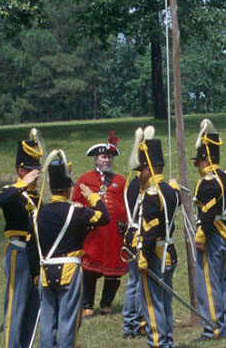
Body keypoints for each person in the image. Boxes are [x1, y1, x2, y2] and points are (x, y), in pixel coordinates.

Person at [34, 150, 110, 348]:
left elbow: (32, 244)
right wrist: (93, 197)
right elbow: (103, 217)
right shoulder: (75, 212)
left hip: (45, 271)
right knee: (68, 321)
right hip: (69, 270)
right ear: (68, 189)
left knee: (48, 321)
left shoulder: (39, 213)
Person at [72, 131, 127, 317]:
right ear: (96, 159)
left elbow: (125, 204)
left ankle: (106, 303)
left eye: (110, 157)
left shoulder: (120, 181)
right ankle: (87, 304)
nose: (107, 160)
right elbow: (77, 204)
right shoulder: (84, 179)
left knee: (114, 270)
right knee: (89, 269)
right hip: (93, 232)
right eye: (104, 157)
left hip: (114, 233)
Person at [0, 129, 43, 348]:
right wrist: (23, 182)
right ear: (21, 170)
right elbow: (2, 200)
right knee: (16, 308)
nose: (37, 175)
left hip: (35, 255)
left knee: (32, 307)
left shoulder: (36, 196)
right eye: (33, 170)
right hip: (19, 253)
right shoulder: (13, 192)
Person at [135, 136, 180, 348]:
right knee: (166, 302)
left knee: (152, 304)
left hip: (155, 255)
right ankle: (167, 341)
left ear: (148, 168)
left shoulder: (152, 195)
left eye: (141, 168)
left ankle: (157, 343)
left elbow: (150, 231)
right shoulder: (171, 191)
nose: (139, 173)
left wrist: (143, 257)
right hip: (169, 251)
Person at [192, 119, 226, 340]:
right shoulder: (224, 177)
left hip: (212, 233)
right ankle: (223, 324)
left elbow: (206, 213)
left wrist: (200, 235)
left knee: (207, 283)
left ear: (206, 159)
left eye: (198, 161)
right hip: (223, 230)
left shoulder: (208, 182)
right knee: (220, 281)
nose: (197, 166)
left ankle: (212, 328)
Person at [121, 126, 153, 339]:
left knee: (134, 282)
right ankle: (133, 323)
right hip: (138, 236)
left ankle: (132, 322)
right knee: (135, 282)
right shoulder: (140, 187)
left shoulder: (132, 184)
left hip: (132, 236)